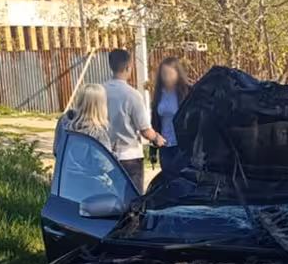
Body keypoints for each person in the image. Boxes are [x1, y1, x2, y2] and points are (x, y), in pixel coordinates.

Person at [103, 48, 165, 193]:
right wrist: (157, 138)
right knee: (132, 198)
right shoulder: (132, 95)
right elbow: (145, 130)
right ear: (128, 67)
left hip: (104, 154)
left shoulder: (99, 91)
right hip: (129, 156)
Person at [150, 56, 190, 172]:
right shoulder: (159, 93)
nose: (167, 78)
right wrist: (153, 145)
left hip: (182, 146)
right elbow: (155, 120)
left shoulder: (186, 92)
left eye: (170, 74)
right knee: (167, 176)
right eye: (164, 74)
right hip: (165, 144)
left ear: (178, 74)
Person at [53, 83, 111, 158]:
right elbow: (104, 161)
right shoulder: (99, 133)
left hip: (65, 165)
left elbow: (56, 150)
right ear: (101, 106)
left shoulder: (64, 122)